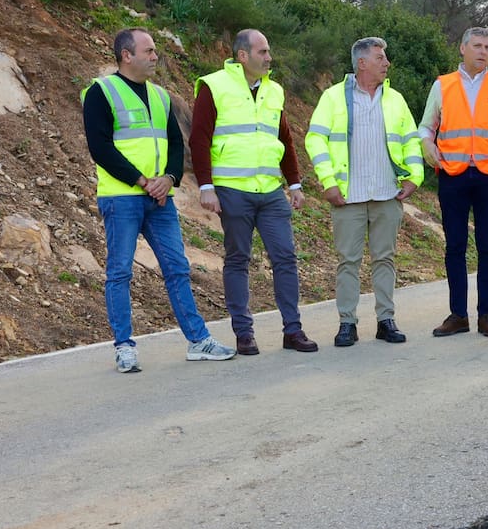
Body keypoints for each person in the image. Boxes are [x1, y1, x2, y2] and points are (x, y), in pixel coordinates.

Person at [81, 28, 235, 373]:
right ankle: (124, 347)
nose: (155, 57)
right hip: (122, 197)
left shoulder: (161, 97)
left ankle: (198, 341)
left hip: (160, 199)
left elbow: (176, 144)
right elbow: (100, 147)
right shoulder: (101, 92)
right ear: (126, 55)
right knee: (120, 272)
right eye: (148, 51)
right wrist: (141, 181)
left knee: (177, 268)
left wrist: (169, 179)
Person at [190, 29, 318, 355]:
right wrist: (206, 186)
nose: (269, 58)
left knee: (285, 257)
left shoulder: (274, 91)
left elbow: (284, 139)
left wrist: (294, 183)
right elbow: (199, 138)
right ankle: (244, 333)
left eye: (269, 51)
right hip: (233, 190)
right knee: (238, 259)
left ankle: (293, 330)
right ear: (243, 55)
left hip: (271, 191)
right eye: (263, 52)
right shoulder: (214, 86)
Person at [305, 37, 423, 347]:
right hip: (348, 196)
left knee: (385, 259)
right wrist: (328, 182)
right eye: (380, 58)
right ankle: (347, 323)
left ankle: (386, 321)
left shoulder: (395, 99)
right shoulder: (333, 98)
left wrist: (415, 177)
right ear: (362, 63)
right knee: (348, 261)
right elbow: (314, 140)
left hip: (387, 194)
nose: (386, 63)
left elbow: (411, 140)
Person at [419, 27, 488, 338]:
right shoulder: (443, 85)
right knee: (455, 245)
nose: (483, 52)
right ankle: (458, 315)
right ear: (462, 49)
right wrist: (427, 145)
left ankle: (486, 315)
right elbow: (426, 126)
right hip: (453, 174)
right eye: (477, 46)